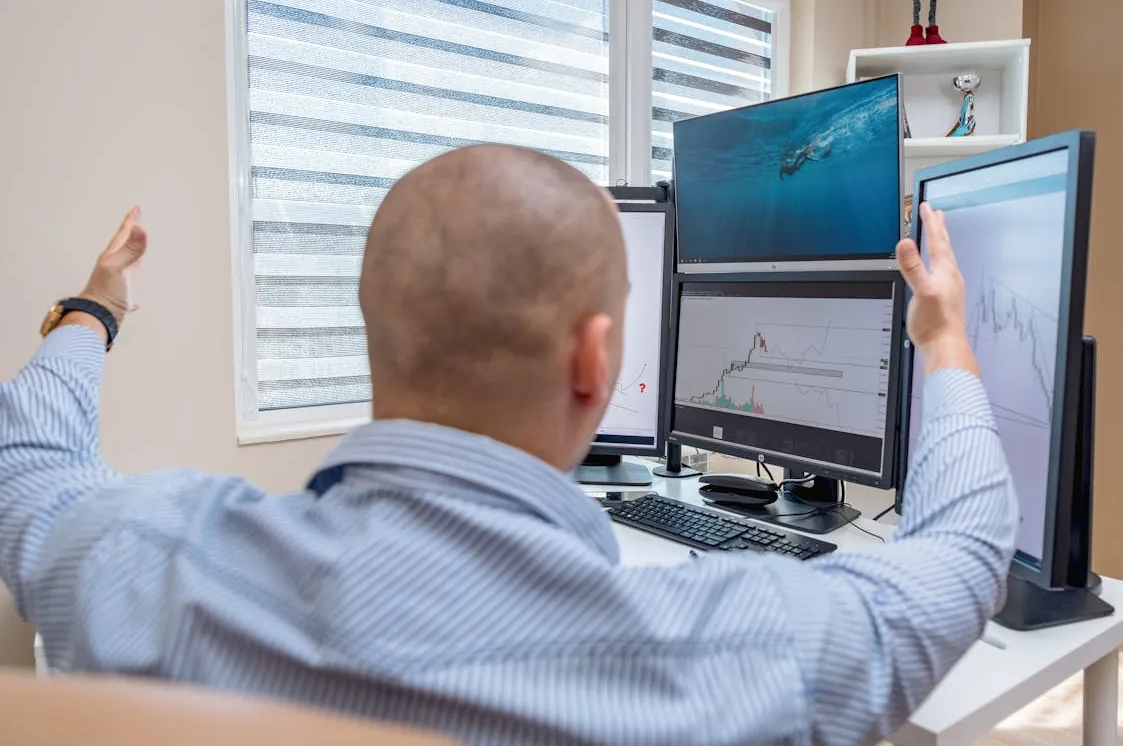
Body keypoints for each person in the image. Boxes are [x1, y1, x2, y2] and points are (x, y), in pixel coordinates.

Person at [0, 144, 1016, 745]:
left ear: (373, 330)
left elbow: (28, 467)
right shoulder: (735, 651)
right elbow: (964, 556)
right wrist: (946, 343)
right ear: (594, 362)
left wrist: (93, 307)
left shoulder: (145, 563)